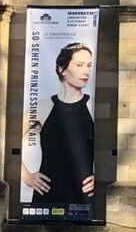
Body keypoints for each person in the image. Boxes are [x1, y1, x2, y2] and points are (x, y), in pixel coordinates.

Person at [22, 42, 96, 206]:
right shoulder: (42, 108)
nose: (86, 71)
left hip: (84, 197)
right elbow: (6, 139)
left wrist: (103, 177)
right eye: (79, 65)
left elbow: (118, 147)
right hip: (47, 195)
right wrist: (26, 176)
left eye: (89, 65)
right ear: (62, 69)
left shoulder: (94, 108)